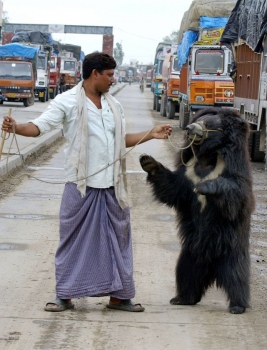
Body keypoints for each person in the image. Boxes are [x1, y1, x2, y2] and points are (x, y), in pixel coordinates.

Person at [1, 51, 172, 313]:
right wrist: (16, 127)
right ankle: (64, 295)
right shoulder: (67, 101)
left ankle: (119, 296)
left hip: (113, 186)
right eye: (110, 75)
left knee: (119, 239)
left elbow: (120, 140)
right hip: (80, 184)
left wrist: (151, 134)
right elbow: (38, 127)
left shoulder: (114, 104)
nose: (113, 80)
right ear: (95, 74)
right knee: (71, 240)